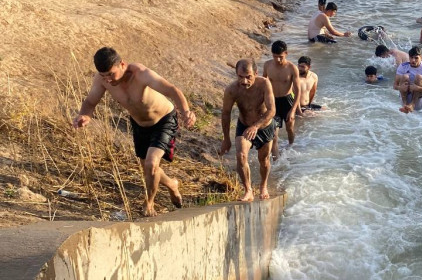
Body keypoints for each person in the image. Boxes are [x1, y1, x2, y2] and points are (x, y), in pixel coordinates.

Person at [73, 47, 196, 217]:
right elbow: (90, 102)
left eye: (110, 74)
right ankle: (172, 184)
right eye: (103, 76)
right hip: (139, 125)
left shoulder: (141, 74)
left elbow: (172, 90)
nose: (107, 80)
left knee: (152, 164)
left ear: (122, 64)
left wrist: (186, 112)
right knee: (149, 169)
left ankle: (149, 204)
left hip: (164, 120)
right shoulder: (102, 80)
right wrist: (84, 116)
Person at [219, 59, 275, 201]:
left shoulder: (264, 84)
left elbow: (272, 110)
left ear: (256, 73)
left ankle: (263, 186)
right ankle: (248, 190)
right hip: (244, 125)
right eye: (240, 77)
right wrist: (226, 139)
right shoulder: (232, 90)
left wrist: (256, 126)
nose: (244, 81)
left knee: (264, 160)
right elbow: (226, 113)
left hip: (264, 126)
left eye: (248, 77)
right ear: (236, 75)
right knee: (241, 155)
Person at [263, 41, 301, 159]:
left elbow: (298, 91)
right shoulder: (267, 65)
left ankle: (291, 148)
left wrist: (293, 110)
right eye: (275, 56)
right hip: (273, 101)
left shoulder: (292, 68)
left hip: (287, 101)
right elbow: (263, 84)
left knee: (290, 129)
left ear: (286, 53)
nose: (277, 60)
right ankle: (276, 161)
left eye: (280, 57)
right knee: (274, 134)